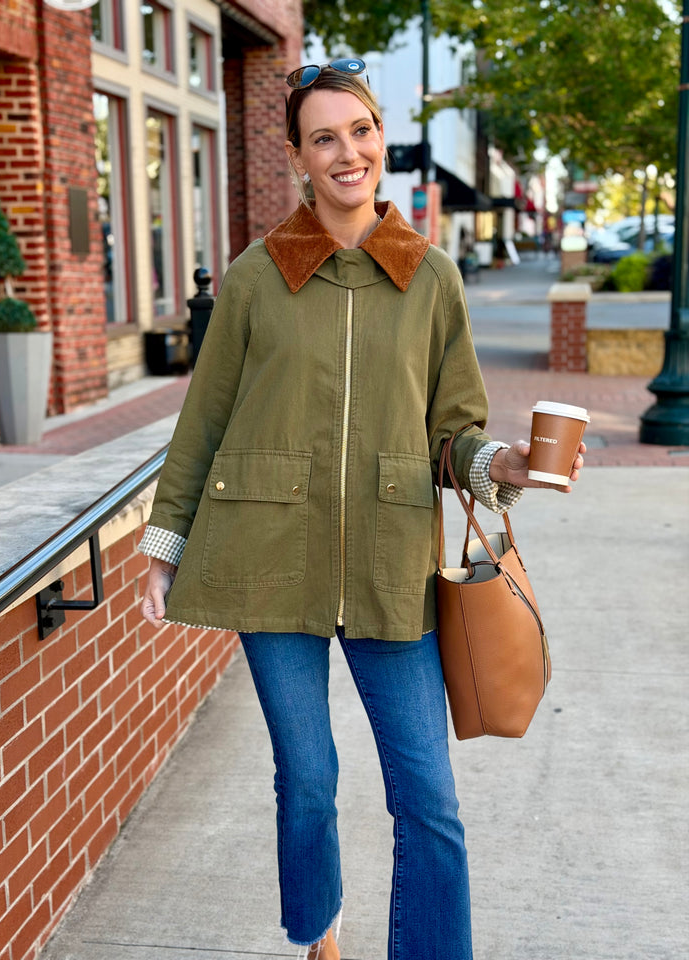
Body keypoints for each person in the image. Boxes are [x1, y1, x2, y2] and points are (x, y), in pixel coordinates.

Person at [139, 58, 585, 960]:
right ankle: (318, 932)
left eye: (362, 131)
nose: (349, 153)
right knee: (306, 779)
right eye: (325, 138)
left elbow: (452, 431)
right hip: (270, 561)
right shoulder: (256, 278)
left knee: (429, 798)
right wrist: (165, 542)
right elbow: (205, 421)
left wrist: (503, 465)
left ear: (382, 138)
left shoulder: (433, 279)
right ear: (298, 157)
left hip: (393, 568)